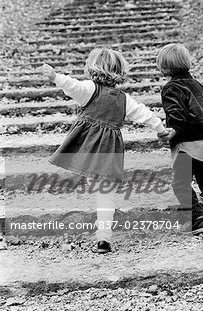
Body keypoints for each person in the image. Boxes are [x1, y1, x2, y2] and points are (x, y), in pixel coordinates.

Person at [42, 47, 168, 253]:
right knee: (105, 192)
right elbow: (144, 113)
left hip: (87, 147)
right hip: (110, 149)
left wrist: (55, 76)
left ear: (92, 68)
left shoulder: (90, 89)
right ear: (119, 71)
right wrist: (161, 130)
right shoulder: (123, 98)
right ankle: (103, 238)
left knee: (96, 184)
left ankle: (101, 228)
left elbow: (73, 86)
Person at [156, 43, 203, 234]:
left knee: (180, 182)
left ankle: (197, 219)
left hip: (190, 135)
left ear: (163, 68)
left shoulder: (171, 87)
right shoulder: (198, 85)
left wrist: (173, 130)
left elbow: (176, 112)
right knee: (200, 163)